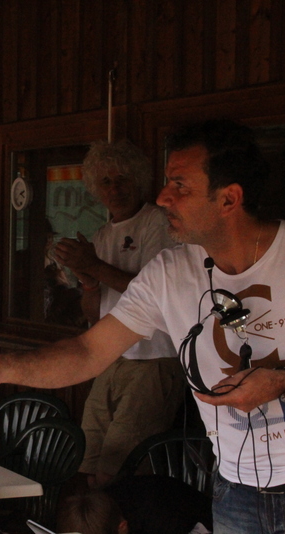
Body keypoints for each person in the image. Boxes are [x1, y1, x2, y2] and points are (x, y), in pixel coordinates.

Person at [0, 119, 285, 533]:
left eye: (180, 186)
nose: (163, 197)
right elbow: (88, 352)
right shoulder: (170, 272)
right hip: (235, 490)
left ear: (229, 199)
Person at [53, 139, 183, 488]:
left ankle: (120, 516)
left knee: (120, 470)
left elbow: (156, 294)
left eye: (122, 179)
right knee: (86, 461)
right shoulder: (100, 235)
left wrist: (92, 264)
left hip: (154, 358)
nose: (115, 189)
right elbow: (93, 314)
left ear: (138, 179)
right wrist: (87, 279)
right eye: (106, 181)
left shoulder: (158, 222)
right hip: (110, 356)